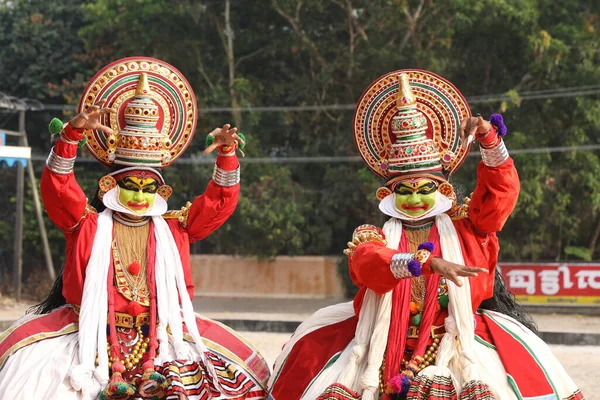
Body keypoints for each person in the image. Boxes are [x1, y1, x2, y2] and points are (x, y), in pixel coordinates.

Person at [268, 70, 583, 400]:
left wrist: (489, 140)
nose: (415, 200)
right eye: (404, 190)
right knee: (311, 369)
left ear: (443, 189)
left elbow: (500, 196)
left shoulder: (467, 227)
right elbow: (368, 264)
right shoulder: (371, 236)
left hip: (455, 339)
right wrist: (423, 263)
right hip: (379, 336)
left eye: (424, 189)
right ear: (386, 195)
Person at [0, 57, 269, 400]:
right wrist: (72, 136)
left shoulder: (175, 228)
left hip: (162, 340)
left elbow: (218, 203)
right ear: (110, 185)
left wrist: (227, 155)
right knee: (26, 373)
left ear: (162, 192)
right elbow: (58, 186)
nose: (140, 195)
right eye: (131, 184)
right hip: (87, 338)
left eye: (149, 187)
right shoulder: (87, 224)